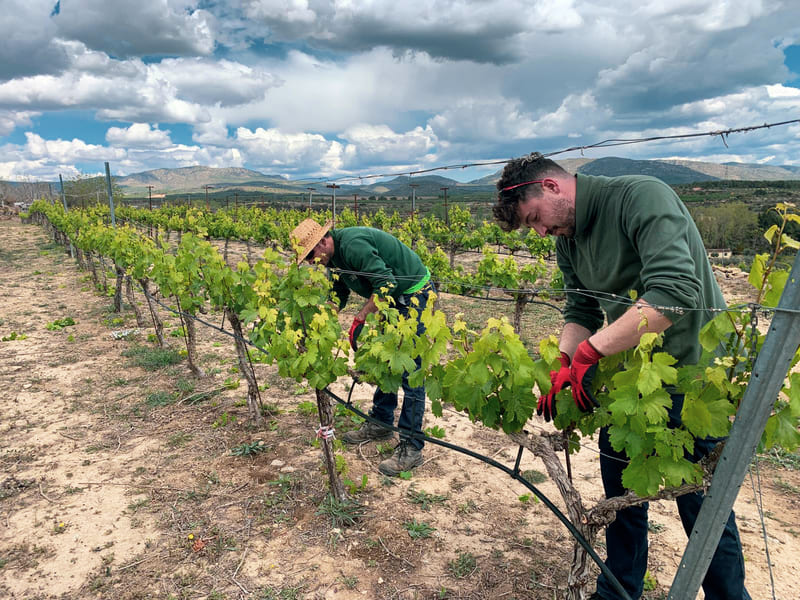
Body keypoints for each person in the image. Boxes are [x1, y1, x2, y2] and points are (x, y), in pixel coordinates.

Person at [492, 153, 751, 600]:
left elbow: (674, 293)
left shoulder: (641, 198)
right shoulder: (567, 237)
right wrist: (565, 362)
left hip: (695, 380)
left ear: (552, 187)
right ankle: (619, 592)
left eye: (535, 219)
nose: (540, 232)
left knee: (703, 508)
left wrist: (593, 350)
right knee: (622, 496)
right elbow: (581, 309)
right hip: (628, 381)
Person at [290, 218, 435, 476]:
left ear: (323, 241)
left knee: (411, 369)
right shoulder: (332, 260)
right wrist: (324, 320)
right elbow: (340, 293)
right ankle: (381, 421)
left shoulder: (354, 246)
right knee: (383, 358)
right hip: (389, 297)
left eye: (311, 255)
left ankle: (412, 447)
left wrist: (362, 317)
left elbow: (386, 283)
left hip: (413, 294)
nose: (311, 262)